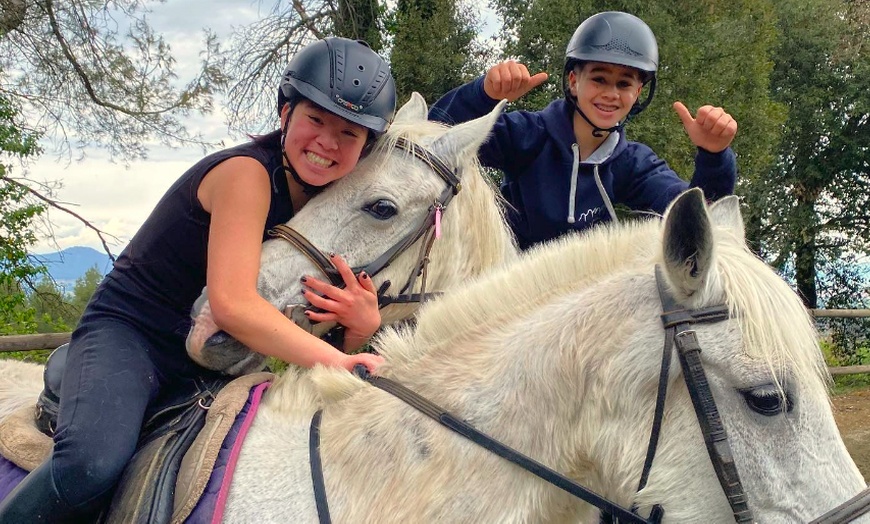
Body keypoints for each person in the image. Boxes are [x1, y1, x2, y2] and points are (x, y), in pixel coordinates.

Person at [0, 37, 394, 522]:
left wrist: (358, 326)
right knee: (91, 465)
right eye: (316, 119)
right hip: (133, 335)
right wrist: (341, 360)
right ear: (286, 112)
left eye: (350, 134)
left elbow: (314, 326)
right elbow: (232, 304)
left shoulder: (327, 211)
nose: (328, 143)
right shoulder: (246, 175)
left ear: (365, 147)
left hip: (213, 358)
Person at [429, 11, 739, 250]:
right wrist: (484, 93)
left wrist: (714, 155)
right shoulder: (528, 134)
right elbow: (438, 135)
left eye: (624, 84)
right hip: (508, 298)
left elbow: (698, 214)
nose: (611, 93)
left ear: (638, 92)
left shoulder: (632, 162)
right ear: (574, 82)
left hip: (579, 308)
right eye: (599, 79)